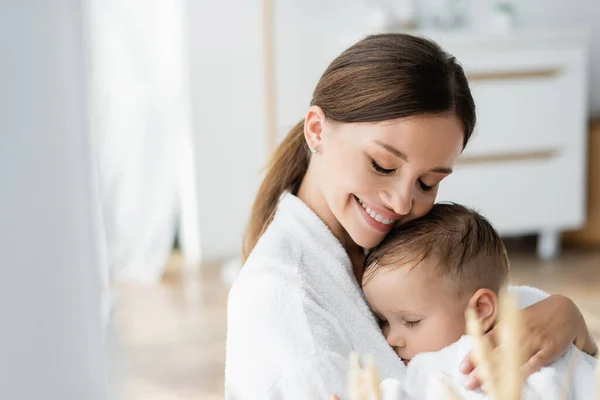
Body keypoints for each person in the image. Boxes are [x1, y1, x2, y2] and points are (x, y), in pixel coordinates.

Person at [224, 33, 597, 399]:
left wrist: (566, 319)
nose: (402, 204)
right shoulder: (284, 303)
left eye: (426, 182)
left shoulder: (400, 244)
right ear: (317, 130)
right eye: (382, 165)